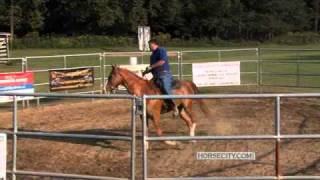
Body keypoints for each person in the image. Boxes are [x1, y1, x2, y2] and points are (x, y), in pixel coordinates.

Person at [143, 39, 176, 113]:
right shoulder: (152, 55)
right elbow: (152, 67)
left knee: (165, 87)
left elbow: (162, 61)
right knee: (148, 88)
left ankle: (173, 105)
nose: (149, 47)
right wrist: (145, 72)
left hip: (164, 74)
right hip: (156, 76)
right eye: (149, 45)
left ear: (155, 44)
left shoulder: (161, 50)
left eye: (150, 45)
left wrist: (151, 67)